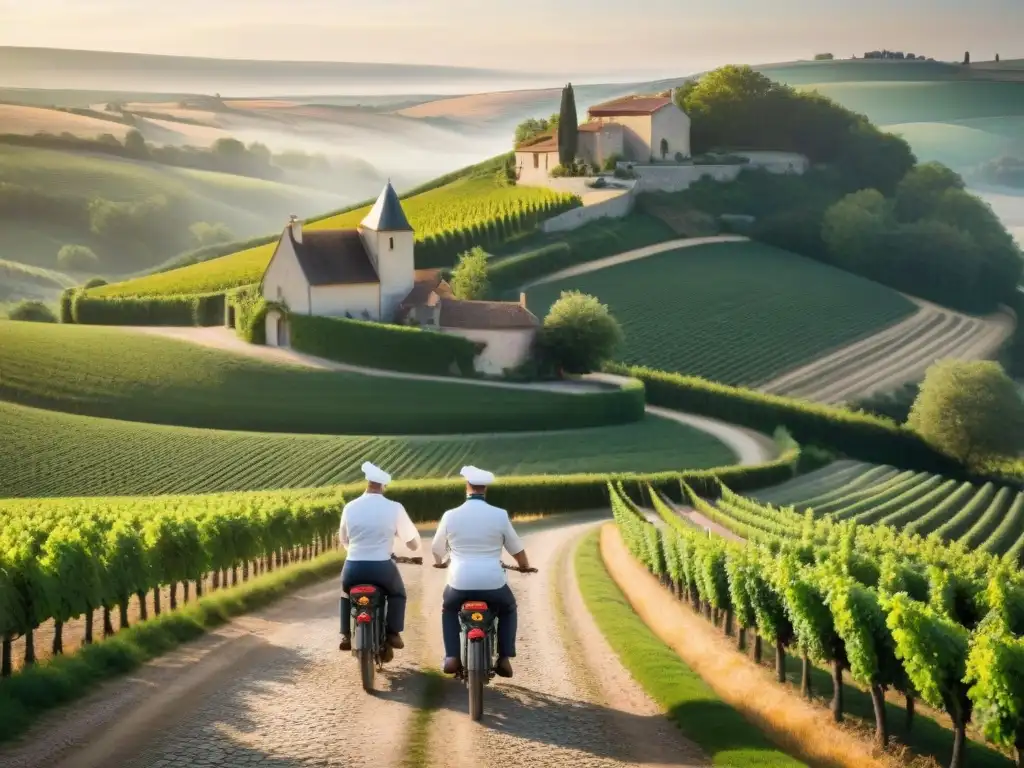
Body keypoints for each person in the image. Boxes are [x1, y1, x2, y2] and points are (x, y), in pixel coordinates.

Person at [431, 465, 532, 678]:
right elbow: (516, 549)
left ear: (466, 486)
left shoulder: (450, 515)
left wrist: (440, 561)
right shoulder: (499, 515)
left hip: (459, 582)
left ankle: (451, 656)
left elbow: (436, 548)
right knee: (508, 608)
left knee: (449, 608)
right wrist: (524, 566)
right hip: (492, 583)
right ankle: (504, 657)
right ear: (485, 488)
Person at [338, 461, 419, 652]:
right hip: (382, 567)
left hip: (353, 566)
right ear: (383, 486)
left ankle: (345, 635)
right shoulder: (394, 507)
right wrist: (413, 546)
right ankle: (393, 632)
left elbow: (344, 538)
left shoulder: (350, 507)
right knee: (398, 594)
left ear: (367, 483)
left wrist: (354, 551)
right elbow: (412, 542)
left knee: (345, 594)